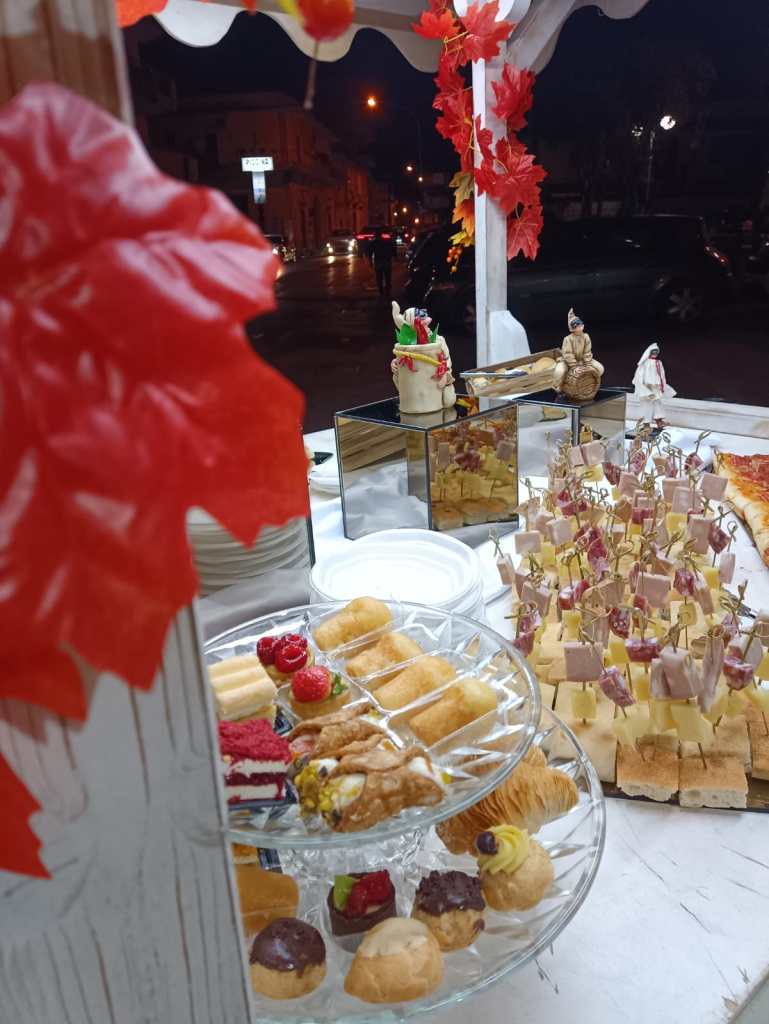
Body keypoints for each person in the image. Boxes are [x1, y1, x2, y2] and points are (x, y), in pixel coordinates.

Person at [553, 308, 604, 392]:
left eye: (581, 325)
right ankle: (560, 387)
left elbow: (587, 351)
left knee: (600, 368)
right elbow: (568, 354)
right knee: (560, 371)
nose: (581, 327)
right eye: (578, 326)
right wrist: (574, 366)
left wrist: (588, 364)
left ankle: (588, 383)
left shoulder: (586, 336)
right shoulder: (568, 339)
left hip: (582, 360)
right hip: (567, 361)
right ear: (573, 328)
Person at [632, 343, 676, 427]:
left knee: (657, 403)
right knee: (646, 405)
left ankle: (659, 421)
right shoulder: (644, 363)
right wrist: (643, 389)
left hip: (655, 387)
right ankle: (646, 423)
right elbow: (638, 377)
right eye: (653, 351)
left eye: (656, 352)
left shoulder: (658, 362)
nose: (655, 353)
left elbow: (662, 375)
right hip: (646, 388)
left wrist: (662, 386)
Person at [371, 227, 395, 298]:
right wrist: (393, 256)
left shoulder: (374, 243)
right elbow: (392, 249)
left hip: (379, 262)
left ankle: (381, 291)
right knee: (387, 276)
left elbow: (370, 252)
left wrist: (370, 261)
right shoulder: (387, 242)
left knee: (379, 277)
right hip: (386, 261)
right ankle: (387, 291)